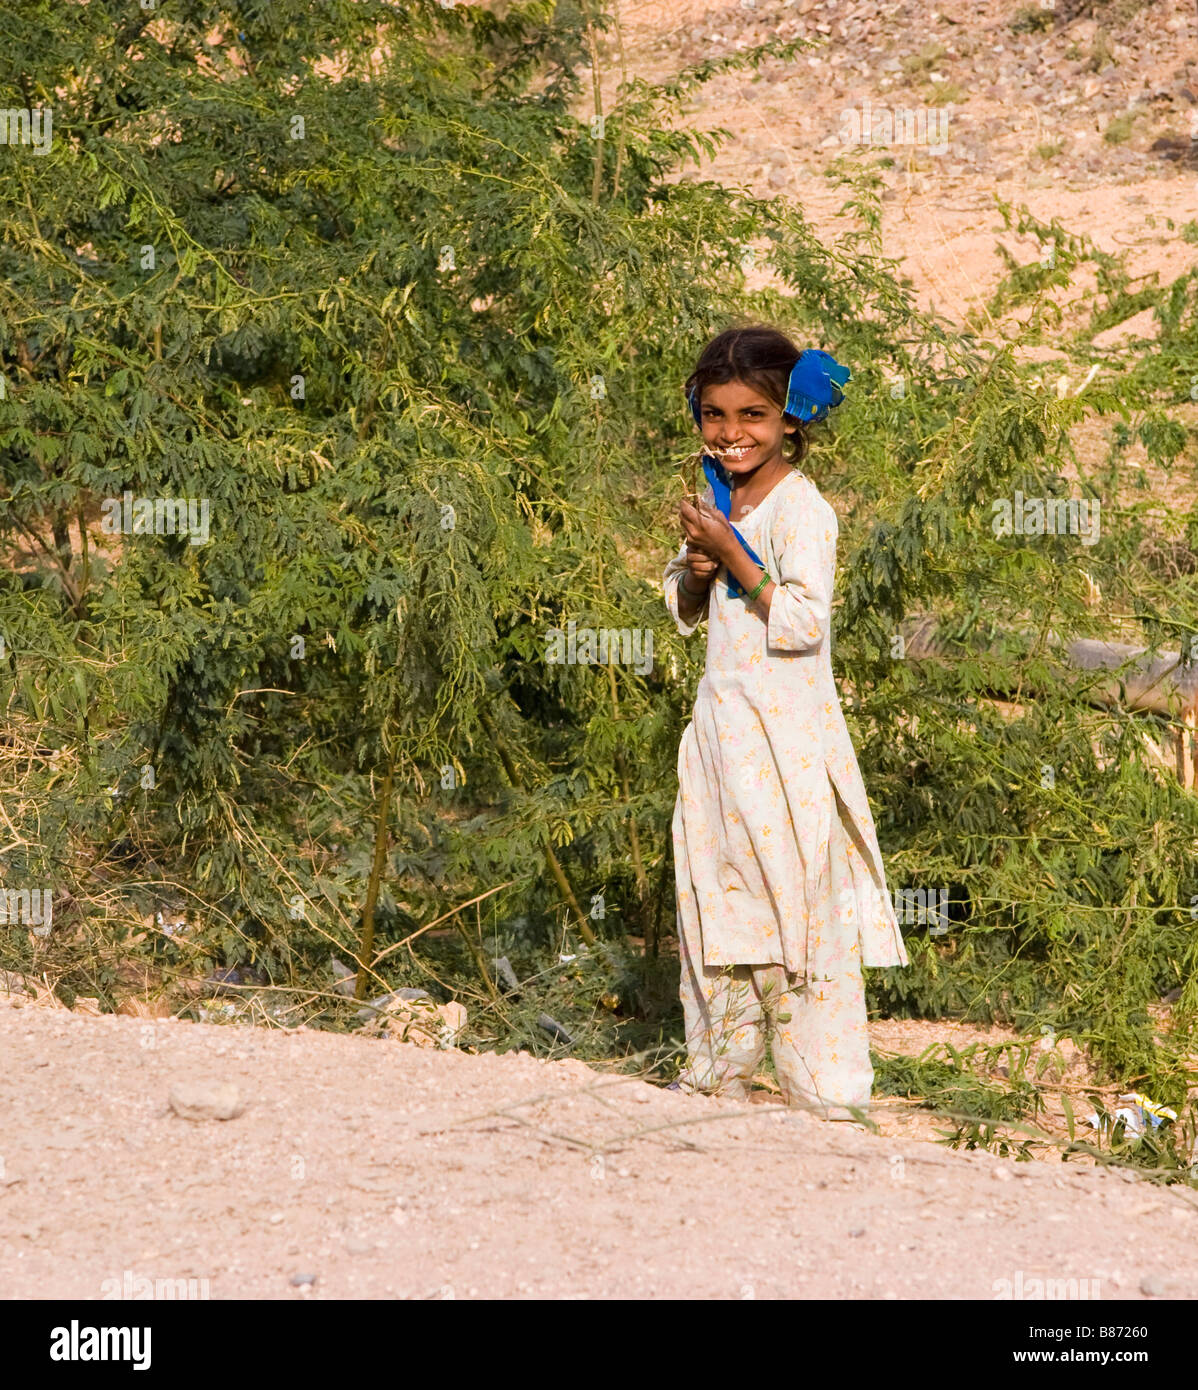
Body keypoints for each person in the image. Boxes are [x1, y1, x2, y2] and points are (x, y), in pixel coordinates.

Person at [663, 323, 908, 1116]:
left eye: (753, 418)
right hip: (721, 739)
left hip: (787, 747)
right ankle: (715, 1082)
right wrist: (700, 570)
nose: (732, 434)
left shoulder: (805, 513)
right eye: (715, 416)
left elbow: (802, 623)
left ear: (790, 423)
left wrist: (733, 555)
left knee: (801, 914)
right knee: (716, 899)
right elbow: (680, 606)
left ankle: (828, 1101)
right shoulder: (715, 501)